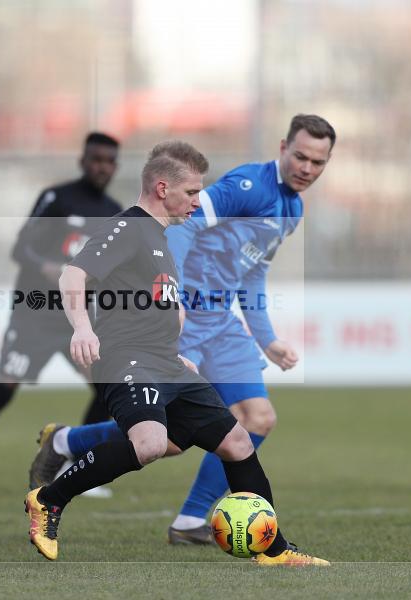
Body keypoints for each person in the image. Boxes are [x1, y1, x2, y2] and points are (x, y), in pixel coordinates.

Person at [29, 115, 335, 545]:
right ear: (283, 147)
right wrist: (171, 304)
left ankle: (208, 525)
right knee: (163, 441)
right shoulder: (245, 187)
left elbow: (251, 274)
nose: (307, 168)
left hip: (216, 326)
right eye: (300, 156)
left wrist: (266, 338)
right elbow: (181, 228)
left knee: (251, 423)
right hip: (178, 322)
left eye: (318, 162)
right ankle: (67, 446)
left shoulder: (292, 210)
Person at [0, 132, 122, 500]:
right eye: (96, 159)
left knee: (108, 387)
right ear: (83, 160)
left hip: (76, 319)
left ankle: (74, 464)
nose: (102, 167)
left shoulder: (113, 211)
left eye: (109, 161)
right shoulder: (57, 198)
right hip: (34, 315)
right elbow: (20, 247)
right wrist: (46, 266)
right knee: (3, 389)